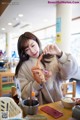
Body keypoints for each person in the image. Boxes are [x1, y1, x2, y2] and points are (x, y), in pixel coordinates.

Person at [15, 32, 78, 105]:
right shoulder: (23, 67)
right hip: (38, 108)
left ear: (37, 42)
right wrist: (38, 82)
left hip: (59, 103)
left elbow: (69, 74)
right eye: (27, 49)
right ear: (24, 52)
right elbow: (23, 94)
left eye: (33, 45)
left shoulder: (52, 56)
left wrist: (60, 54)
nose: (32, 51)